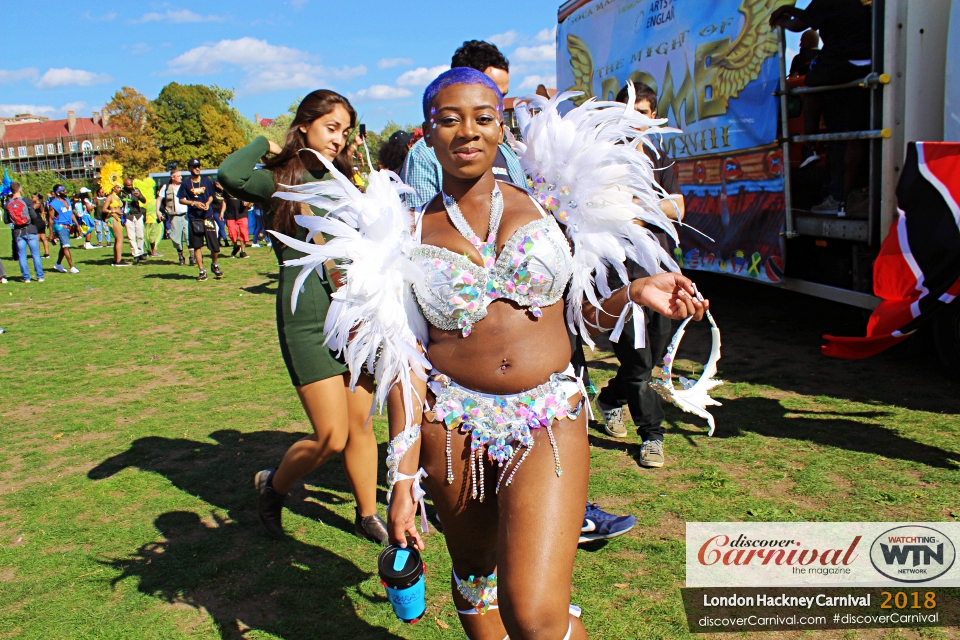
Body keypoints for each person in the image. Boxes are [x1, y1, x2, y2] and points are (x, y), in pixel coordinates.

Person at [291, 69, 708, 640]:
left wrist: (633, 292)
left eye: (483, 118)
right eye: (449, 119)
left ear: (501, 126)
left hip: (548, 419)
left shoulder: (552, 208)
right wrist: (403, 479)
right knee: (473, 580)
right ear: (427, 134)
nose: (467, 132)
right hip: (452, 428)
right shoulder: (404, 234)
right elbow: (405, 363)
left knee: (534, 614)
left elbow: (580, 320)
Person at [219, 89, 388, 544]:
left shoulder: (345, 180)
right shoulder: (278, 179)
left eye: (345, 131)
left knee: (361, 425)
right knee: (331, 435)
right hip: (306, 318)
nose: (339, 139)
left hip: (354, 316)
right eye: (331, 128)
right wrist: (265, 145)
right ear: (305, 126)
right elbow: (229, 175)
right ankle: (272, 487)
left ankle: (367, 513)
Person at [592, 83, 686, 470]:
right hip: (620, 279)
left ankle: (610, 399)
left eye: (646, 113)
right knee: (639, 362)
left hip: (661, 274)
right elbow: (598, 210)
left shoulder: (661, 159)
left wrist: (632, 208)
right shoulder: (600, 161)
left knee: (654, 357)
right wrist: (646, 208)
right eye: (632, 111)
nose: (639, 120)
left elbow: (678, 207)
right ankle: (652, 436)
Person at [770, 0, 872, 215]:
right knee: (854, 136)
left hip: (838, 64)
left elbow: (799, 25)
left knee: (810, 85)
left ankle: (810, 146)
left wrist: (782, 21)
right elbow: (816, 15)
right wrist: (791, 10)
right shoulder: (860, 5)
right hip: (866, 68)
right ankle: (843, 202)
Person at [401, 40, 527, 210]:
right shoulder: (425, 155)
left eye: (502, 95)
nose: (498, 101)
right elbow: (420, 225)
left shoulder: (507, 153)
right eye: (487, 87)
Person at [178, 159, 221, 281]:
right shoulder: (186, 184)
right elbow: (181, 199)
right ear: (189, 169)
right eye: (194, 166)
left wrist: (207, 203)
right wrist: (193, 203)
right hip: (194, 218)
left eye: (198, 166)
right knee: (197, 246)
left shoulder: (206, 181)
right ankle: (202, 270)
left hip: (208, 216)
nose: (197, 168)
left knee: (215, 245)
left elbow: (212, 196)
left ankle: (215, 264)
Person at [5, 182, 44, 282]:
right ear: (20, 189)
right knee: (35, 254)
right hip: (30, 229)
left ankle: (26, 278)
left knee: (22, 256)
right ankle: (39, 276)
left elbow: (6, 220)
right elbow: (34, 216)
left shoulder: (7, 203)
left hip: (18, 232)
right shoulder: (26, 200)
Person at [157, 170, 191, 265]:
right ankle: (181, 257)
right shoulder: (166, 187)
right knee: (176, 238)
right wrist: (158, 212)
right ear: (173, 177)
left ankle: (192, 257)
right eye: (178, 176)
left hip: (186, 215)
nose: (181, 177)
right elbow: (159, 199)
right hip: (174, 216)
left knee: (189, 236)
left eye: (181, 175)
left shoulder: (185, 186)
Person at [48, 185, 81, 274]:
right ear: (57, 192)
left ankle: (58, 264)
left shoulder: (67, 201)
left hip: (68, 226)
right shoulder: (53, 204)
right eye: (63, 190)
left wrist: (77, 225)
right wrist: (51, 233)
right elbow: (50, 219)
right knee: (66, 246)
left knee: (63, 246)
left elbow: (71, 214)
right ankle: (72, 267)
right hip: (60, 226)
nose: (65, 192)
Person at [122, 178, 147, 264]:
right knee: (131, 237)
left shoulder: (136, 190)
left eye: (131, 184)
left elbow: (144, 200)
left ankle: (141, 252)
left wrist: (139, 195)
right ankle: (135, 254)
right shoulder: (122, 193)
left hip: (138, 215)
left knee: (141, 236)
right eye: (128, 185)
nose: (130, 186)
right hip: (128, 216)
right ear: (124, 185)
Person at [102, 185, 129, 266]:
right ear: (113, 188)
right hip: (112, 218)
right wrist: (113, 211)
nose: (120, 189)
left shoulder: (117, 196)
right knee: (120, 238)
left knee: (118, 239)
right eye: (118, 187)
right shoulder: (110, 197)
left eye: (120, 187)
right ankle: (118, 261)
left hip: (118, 218)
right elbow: (104, 209)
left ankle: (116, 259)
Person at [223, 191, 249, 258]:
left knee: (243, 232)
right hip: (230, 214)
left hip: (242, 213)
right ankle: (235, 247)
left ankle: (242, 251)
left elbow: (250, 198)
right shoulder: (227, 188)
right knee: (232, 233)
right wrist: (221, 212)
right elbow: (224, 201)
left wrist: (247, 201)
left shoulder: (242, 187)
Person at [30, 194, 51, 258]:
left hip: (37, 222)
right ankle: (47, 254)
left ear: (37, 198)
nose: (32, 198)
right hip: (41, 222)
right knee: (44, 239)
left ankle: (37, 254)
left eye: (33, 197)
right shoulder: (41, 204)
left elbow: (31, 209)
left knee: (37, 239)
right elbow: (42, 212)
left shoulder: (37, 204)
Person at [213, 181, 230, 247]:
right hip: (216, 212)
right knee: (221, 226)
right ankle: (226, 241)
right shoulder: (213, 193)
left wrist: (222, 188)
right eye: (217, 184)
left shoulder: (224, 191)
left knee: (221, 227)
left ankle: (218, 241)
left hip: (225, 212)